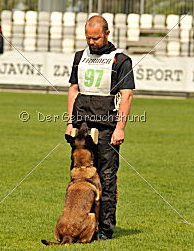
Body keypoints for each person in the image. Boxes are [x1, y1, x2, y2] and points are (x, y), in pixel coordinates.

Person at [65, 15, 135, 240]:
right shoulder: (80, 57)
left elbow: (127, 95)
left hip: (107, 126)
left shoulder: (120, 60)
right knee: (78, 178)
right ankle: (79, 224)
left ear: (107, 34)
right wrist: (69, 122)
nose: (91, 42)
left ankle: (104, 229)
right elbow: (73, 89)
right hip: (82, 124)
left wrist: (120, 127)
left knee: (106, 177)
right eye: (88, 38)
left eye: (95, 38)